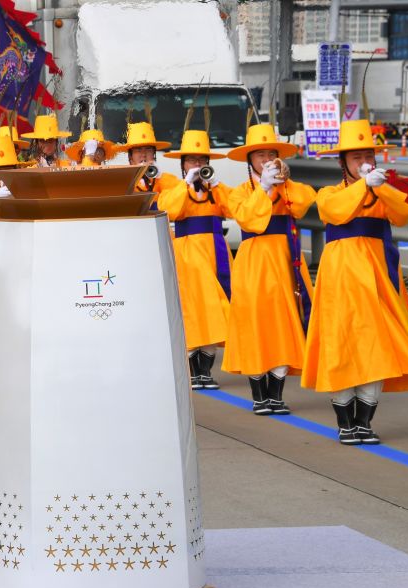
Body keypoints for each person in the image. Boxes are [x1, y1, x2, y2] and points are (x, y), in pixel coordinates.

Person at [301, 119, 408, 445]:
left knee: (378, 345)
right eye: (355, 157)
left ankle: (364, 422)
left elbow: (401, 215)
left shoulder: (381, 189)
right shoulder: (330, 192)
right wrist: (364, 185)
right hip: (341, 273)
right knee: (342, 344)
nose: (363, 161)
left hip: (380, 273)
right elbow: (334, 213)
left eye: (367, 154)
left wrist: (381, 186)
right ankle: (345, 423)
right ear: (342, 162)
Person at [223, 124, 316, 415]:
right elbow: (249, 220)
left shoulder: (287, 187)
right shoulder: (239, 192)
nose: (266, 160)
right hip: (253, 261)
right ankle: (259, 395)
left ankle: (275, 395)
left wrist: (283, 182)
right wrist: (263, 187)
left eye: (270, 154)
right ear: (250, 160)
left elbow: (305, 201)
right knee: (255, 324)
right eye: (260, 155)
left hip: (285, 260)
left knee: (283, 323)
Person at [158, 130, 232, 390]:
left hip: (213, 253)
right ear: (182, 165)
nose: (197, 166)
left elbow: (235, 207)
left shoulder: (215, 189)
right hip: (187, 255)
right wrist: (186, 184)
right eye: (191, 161)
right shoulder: (175, 188)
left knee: (212, 310)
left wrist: (218, 185)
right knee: (191, 311)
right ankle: (192, 368)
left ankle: (206, 370)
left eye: (201, 161)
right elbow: (169, 209)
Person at [115, 122, 179, 210]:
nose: (144, 155)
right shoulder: (122, 180)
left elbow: (175, 202)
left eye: (148, 150)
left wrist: (160, 177)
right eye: (138, 150)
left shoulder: (163, 179)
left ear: (154, 154)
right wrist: (137, 174)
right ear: (130, 156)